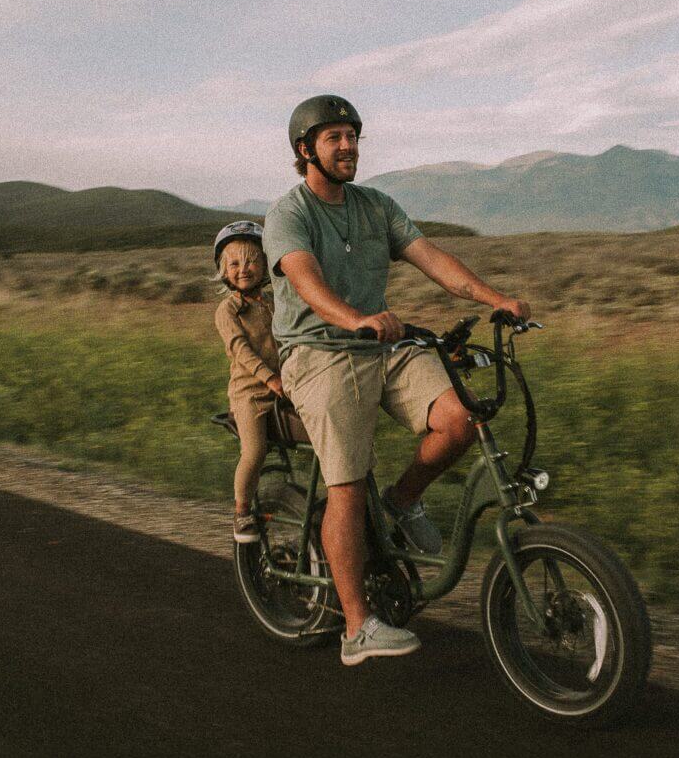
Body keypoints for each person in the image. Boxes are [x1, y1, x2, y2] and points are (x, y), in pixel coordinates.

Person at [263, 94, 530, 666]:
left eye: (352, 137)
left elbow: (432, 258)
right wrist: (352, 318)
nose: (348, 147)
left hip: (383, 345)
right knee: (346, 485)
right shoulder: (289, 213)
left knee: (461, 418)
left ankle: (404, 501)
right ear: (305, 149)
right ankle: (357, 627)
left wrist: (495, 299)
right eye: (334, 138)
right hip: (318, 353)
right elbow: (304, 279)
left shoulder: (376, 206)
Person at [211, 220, 306, 543]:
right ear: (223, 271)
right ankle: (241, 512)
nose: (243, 269)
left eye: (252, 261)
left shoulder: (275, 302)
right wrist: (270, 379)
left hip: (285, 387)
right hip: (250, 395)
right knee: (255, 450)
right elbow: (241, 351)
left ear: (265, 264)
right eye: (234, 264)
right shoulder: (228, 311)